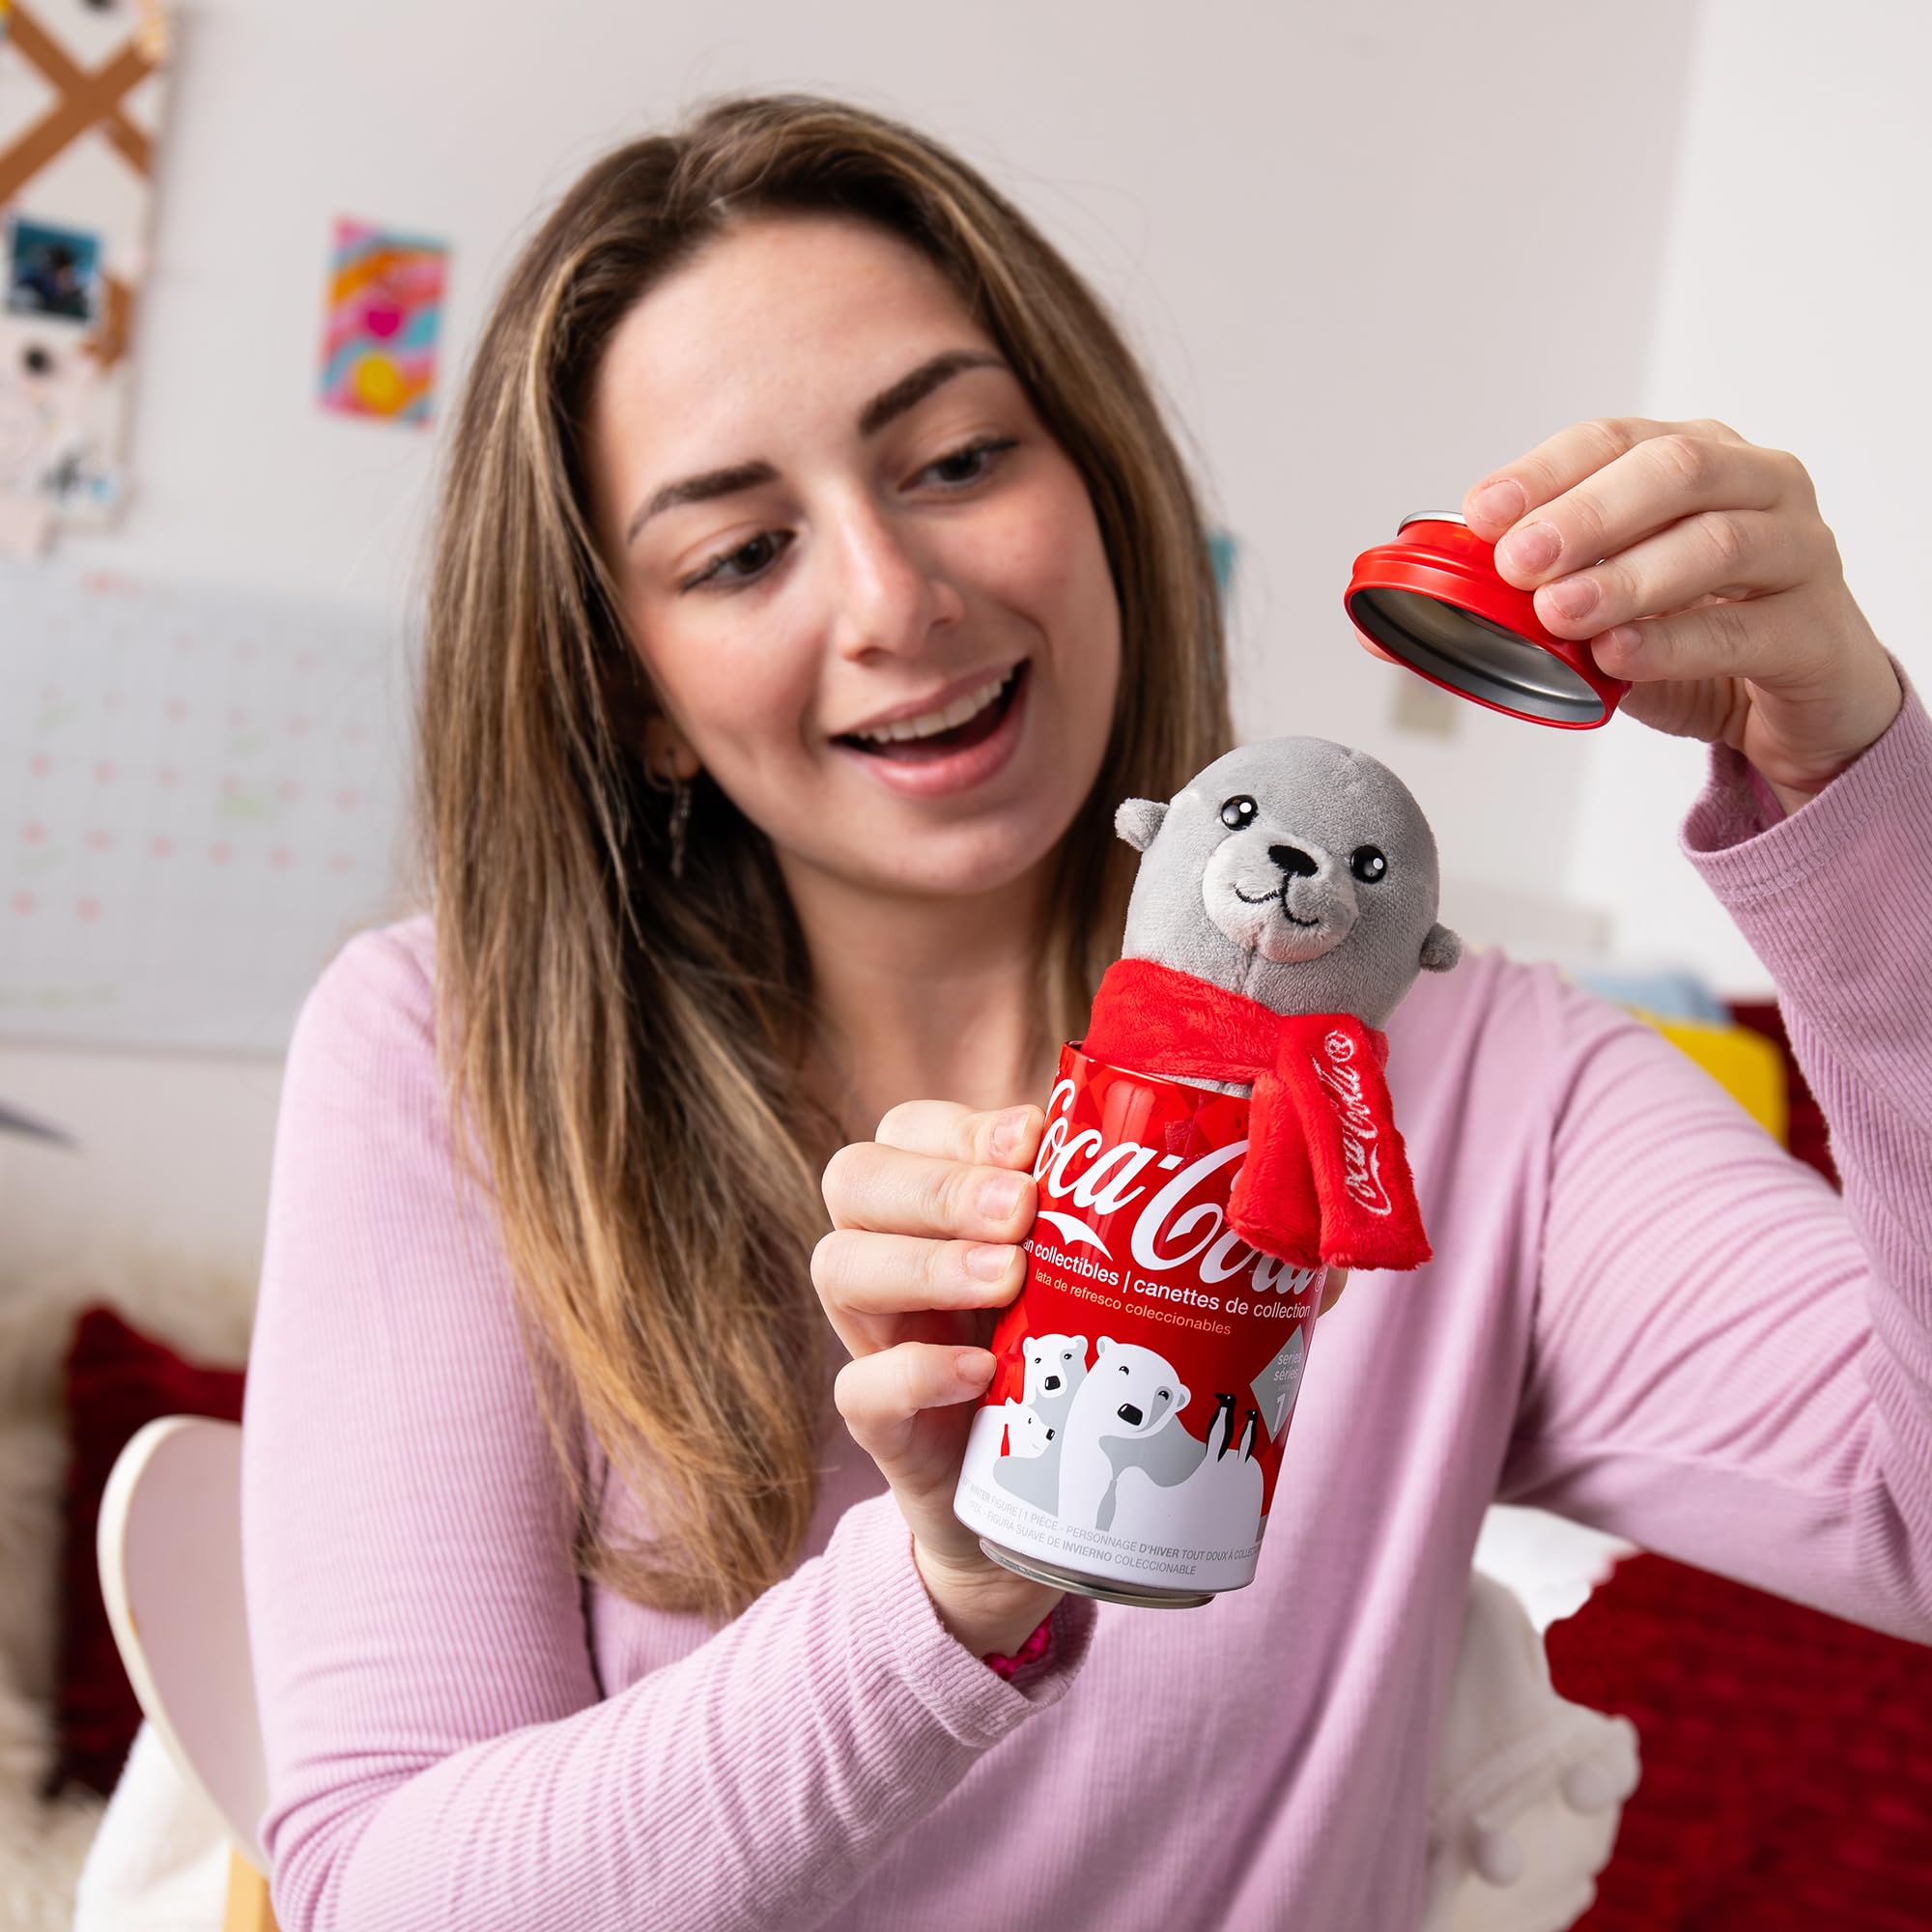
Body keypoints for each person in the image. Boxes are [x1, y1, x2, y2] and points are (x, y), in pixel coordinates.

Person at [240, 90, 1930, 1931]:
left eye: (958, 459)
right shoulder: (446, 1055)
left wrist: (1860, 796)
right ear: (641, 694)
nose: (899, 598)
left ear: (1101, 491)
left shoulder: (1474, 1080)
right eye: (740, 553)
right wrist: (939, 1593)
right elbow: (377, 1893)